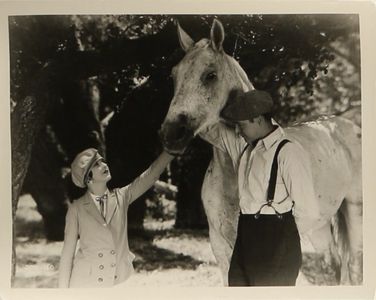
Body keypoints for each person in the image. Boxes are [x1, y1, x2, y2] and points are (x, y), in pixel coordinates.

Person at [199, 89, 321, 286]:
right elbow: (209, 129)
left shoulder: (288, 152)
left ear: (257, 119)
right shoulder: (247, 149)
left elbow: (309, 211)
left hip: (277, 241)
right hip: (246, 237)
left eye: (240, 126)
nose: (237, 131)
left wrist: (282, 235)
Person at [58, 148, 175, 288]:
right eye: (97, 164)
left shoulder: (122, 197)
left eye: (102, 161)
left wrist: (170, 152)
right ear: (88, 178)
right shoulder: (76, 208)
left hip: (118, 281)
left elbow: (149, 176)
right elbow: (67, 254)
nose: (104, 165)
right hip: (85, 283)